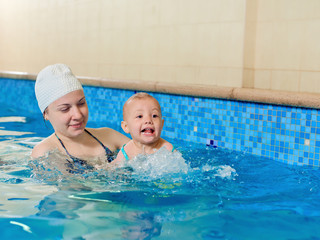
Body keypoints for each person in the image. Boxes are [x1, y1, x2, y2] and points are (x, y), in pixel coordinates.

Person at [31, 63, 129, 172]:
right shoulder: (45, 152)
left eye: (81, 103)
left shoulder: (109, 135)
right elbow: (71, 188)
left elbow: (147, 152)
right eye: (65, 109)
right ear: (46, 114)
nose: (78, 115)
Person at [113, 92, 174, 164]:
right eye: (139, 116)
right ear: (126, 127)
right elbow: (114, 167)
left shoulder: (168, 150)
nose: (148, 120)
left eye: (154, 116)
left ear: (161, 124)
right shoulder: (126, 151)